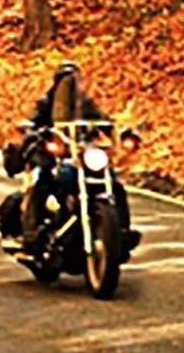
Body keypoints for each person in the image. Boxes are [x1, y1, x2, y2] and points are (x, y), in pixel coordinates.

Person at [13, 62, 112, 253]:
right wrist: (32, 128)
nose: (71, 84)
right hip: (55, 154)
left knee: (113, 183)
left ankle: (121, 230)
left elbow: (102, 120)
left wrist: (119, 132)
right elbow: (35, 118)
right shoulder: (47, 102)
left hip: (80, 154)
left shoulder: (85, 104)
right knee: (42, 181)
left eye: (74, 79)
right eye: (66, 80)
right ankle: (31, 233)